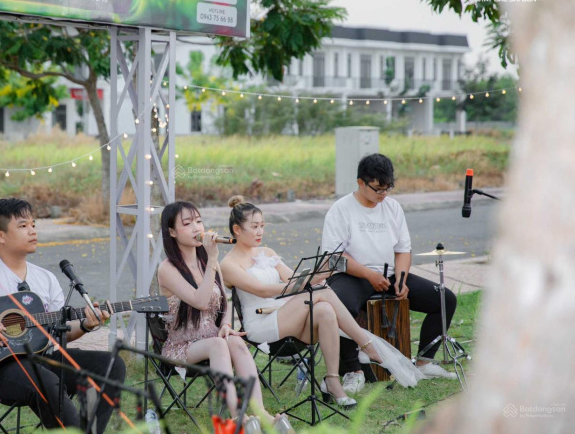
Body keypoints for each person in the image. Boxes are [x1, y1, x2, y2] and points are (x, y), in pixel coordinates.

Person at [0, 198, 126, 433]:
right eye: (23, 226)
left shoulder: (46, 279)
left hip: (42, 359)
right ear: (0, 235)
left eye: (33, 225)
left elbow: (58, 332)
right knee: (46, 381)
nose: (32, 231)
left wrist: (85, 325)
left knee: (111, 366)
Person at [221, 196, 424, 407]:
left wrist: (316, 275)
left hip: (285, 316)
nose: (260, 231)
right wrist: (307, 284)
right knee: (323, 294)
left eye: (262, 226)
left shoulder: (267, 252)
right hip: (260, 325)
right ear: (237, 229)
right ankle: (366, 345)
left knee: (325, 309)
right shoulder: (228, 264)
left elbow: (293, 278)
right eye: (254, 227)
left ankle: (332, 381)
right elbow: (262, 290)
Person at [321, 153, 457, 395]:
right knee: (337, 306)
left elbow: (403, 249)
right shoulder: (341, 209)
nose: (383, 194)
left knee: (444, 299)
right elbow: (334, 257)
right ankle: (353, 370)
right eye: (378, 189)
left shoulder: (393, 207)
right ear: (361, 183)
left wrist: (402, 279)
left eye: (388, 188)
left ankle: (424, 362)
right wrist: (368, 275)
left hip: (388, 274)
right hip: (352, 275)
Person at [158, 201, 292, 429]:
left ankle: (261, 413)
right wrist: (212, 259)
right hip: (182, 345)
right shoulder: (167, 268)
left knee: (235, 341)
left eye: (199, 221)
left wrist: (227, 324)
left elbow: (224, 301)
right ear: (172, 232)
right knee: (218, 345)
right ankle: (239, 417)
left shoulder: (207, 262)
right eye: (187, 224)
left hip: (212, 335)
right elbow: (200, 301)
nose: (196, 228)